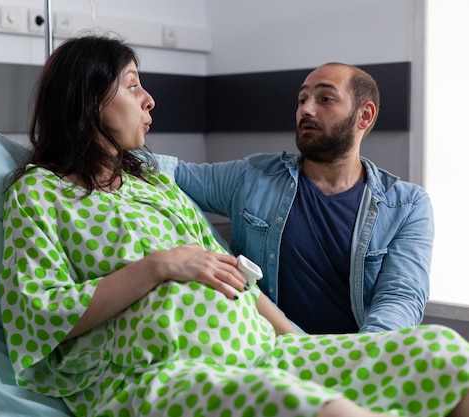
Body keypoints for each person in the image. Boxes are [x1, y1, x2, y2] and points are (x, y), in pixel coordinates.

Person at [0, 34, 469, 417]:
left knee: (447, 354)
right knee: (326, 409)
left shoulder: (154, 187)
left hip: (262, 349)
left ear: (364, 117)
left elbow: (237, 275)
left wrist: (313, 351)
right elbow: (36, 313)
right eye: (131, 85)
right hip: (161, 371)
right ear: (87, 101)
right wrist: (159, 265)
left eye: (324, 99)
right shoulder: (40, 193)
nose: (149, 99)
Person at [169, 62, 433, 334]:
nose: (306, 109)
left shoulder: (408, 205)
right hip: (266, 353)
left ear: (364, 115)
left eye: (325, 99)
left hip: (353, 358)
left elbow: (400, 298)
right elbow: (168, 172)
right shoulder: (253, 177)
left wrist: (356, 359)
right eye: (302, 99)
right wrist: (122, 142)